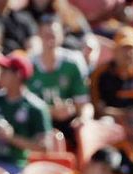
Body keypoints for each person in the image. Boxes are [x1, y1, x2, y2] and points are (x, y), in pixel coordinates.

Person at [0, 52, 51, 174]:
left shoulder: (36, 108)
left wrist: (11, 137)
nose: (0, 74)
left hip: (15, 165)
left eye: (5, 71)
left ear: (18, 75)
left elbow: (44, 147)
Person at [29, 14, 93, 145]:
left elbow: (84, 103)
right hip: (39, 124)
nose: (50, 40)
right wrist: (51, 111)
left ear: (62, 35)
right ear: (38, 36)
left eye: (53, 35)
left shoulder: (74, 62)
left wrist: (83, 119)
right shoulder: (30, 65)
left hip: (69, 122)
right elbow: (25, 108)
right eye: (46, 35)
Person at [89, 26, 133, 118]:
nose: (128, 53)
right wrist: (127, 114)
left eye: (132, 48)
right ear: (115, 50)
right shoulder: (100, 73)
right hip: (111, 120)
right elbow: (99, 109)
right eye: (124, 48)